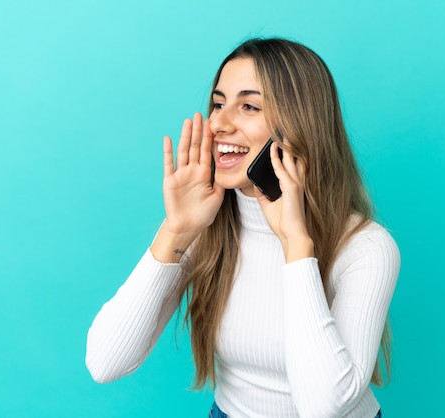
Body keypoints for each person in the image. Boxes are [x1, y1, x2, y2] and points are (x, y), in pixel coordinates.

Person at [86, 37, 400, 418]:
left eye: (248, 106)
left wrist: (296, 244)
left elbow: (324, 409)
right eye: (218, 104)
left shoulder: (366, 247)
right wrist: (177, 229)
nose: (218, 123)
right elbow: (105, 362)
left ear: (300, 125)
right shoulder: (208, 228)